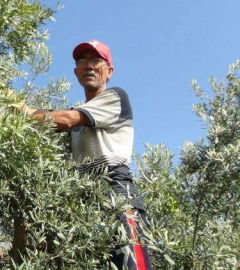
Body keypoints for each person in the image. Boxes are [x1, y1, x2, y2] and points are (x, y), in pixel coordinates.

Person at [12, 39, 153, 269]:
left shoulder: (115, 97)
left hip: (117, 196)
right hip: (85, 206)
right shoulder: (77, 113)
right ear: (76, 72)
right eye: (82, 61)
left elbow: (66, 119)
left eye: (97, 60)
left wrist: (23, 113)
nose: (89, 66)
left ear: (109, 71)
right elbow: (55, 117)